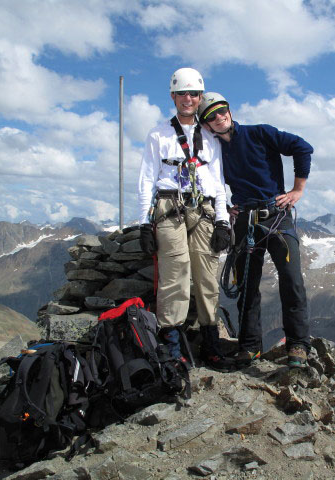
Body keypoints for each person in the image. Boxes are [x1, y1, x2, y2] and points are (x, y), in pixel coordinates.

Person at [198, 92, 313, 369]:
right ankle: (250, 347)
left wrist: (298, 190)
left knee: (291, 280)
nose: (219, 117)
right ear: (206, 124)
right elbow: (205, 181)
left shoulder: (260, 133)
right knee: (247, 286)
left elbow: (303, 147)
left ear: (229, 110)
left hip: (276, 216)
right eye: (211, 116)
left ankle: (298, 343)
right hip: (244, 220)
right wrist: (224, 208)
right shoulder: (212, 150)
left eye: (222, 111)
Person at [137, 69, 233, 372]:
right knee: (174, 276)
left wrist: (222, 221)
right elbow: (146, 179)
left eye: (193, 94)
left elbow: (218, 181)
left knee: (206, 277)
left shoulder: (210, 137)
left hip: (203, 209)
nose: (188, 99)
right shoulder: (158, 134)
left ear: (200, 97)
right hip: (170, 207)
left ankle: (211, 344)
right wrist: (143, 223)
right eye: (182, 94)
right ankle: (172, 347)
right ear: (173, 97)